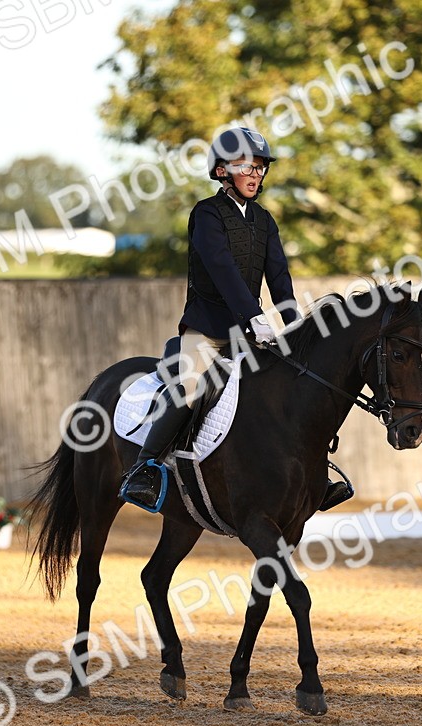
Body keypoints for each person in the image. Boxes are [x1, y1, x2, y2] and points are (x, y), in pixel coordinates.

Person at [118, 126, 352, 513]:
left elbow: (279, 276)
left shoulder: (264, 220)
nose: (255, 174)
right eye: (246, 165)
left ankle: (314, 472)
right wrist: (255, 315)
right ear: (223, 170)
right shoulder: (206, 215)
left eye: (260, 168)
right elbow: (222, 268)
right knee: (192, 389)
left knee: (287, 388)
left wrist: (291, 321)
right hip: (207, 331)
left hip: (248, 332)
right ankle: (144, 469)